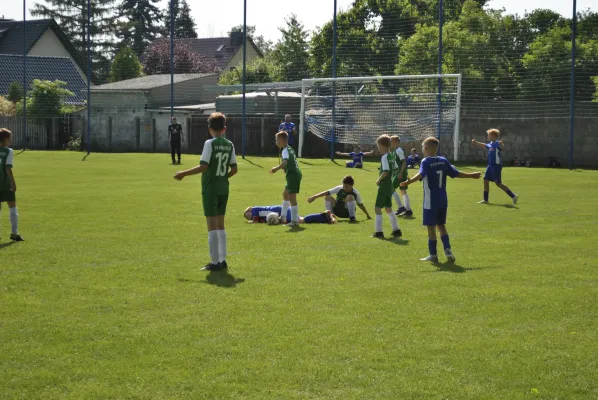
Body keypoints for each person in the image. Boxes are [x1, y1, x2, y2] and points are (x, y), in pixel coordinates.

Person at [401, 137, 481, 262]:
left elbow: (421, 174)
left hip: (430, 201)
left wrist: (408, 182)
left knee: (431, 227)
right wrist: (472, 175)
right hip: (443, 199)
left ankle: (433, 255)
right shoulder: (443, 160)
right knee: (441, 226)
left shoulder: (425, 161)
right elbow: (456, 173)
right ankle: (448, 250)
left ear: (426, 148)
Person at [174, 112, 237, 271]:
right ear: (224, 128)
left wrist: (183, 173)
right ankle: (223, 260)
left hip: (211, 188)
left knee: (211, 226)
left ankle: (214, 262)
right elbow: (234, 169)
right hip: (223, 188)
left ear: (209, 129)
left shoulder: (209, 143)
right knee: (221, 225)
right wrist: (224, 177)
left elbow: (204, 166)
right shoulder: (229, 144)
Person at [472, 128, 519, 205]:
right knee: (485, 180)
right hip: (490, 166)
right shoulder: (490, 144)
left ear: (493, 136)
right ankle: (485, 200)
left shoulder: (497, 143)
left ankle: (513, 196)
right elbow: (484, 145)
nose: (488, 136)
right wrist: (476, 142)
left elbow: (501, 148)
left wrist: (501, 144)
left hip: (496, 166)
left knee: (498, 184)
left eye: (489, 135)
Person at [270, 131, 302, 227]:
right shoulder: (289, 148)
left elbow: (285, 162)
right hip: (294, 174)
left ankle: (294, 221)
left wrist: (276, 168)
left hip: (293, 175)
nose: (276, 142)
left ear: (281, 140)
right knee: (285, 194)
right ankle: (283, 217)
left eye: (277, 140)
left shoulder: (284, 150)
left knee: (292, 199)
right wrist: (285, 168)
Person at [306, 175, 372, 223]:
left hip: (347, 212)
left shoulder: (356, 193)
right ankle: (330, 217)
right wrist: (314, 197)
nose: (345, 188)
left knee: (350, 197)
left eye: (347, 187)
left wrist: (367, 215)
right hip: (337, 210)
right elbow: (327, 192)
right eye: (344, 186)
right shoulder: (339, 188)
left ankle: (352, 218)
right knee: (328, 196)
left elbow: (360, 204)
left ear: (352, 186)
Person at [372, 134, 402, 238]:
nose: (378, 148)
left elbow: (386, 170)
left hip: (384, 185)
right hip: (390, 185)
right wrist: (391, 179)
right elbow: (396, 169)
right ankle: (396, 230)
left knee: (377, 208)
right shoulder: (392, 155)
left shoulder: (384, 157)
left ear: (382, 145)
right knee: (388, 207)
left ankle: (379, 232)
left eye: (378, 146)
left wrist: (378, 180)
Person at [0, 128, 23, 242]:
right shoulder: (8, 151)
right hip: (5, 183)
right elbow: (7, 167)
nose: (10, 140)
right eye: (9, 138)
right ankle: (15, 233)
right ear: (5, 139)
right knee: (12, 207)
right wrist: (13, 182)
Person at [390, 136, 412, 217]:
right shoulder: (394, 151)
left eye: (391, 141)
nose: (390, 143)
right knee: (403, 191)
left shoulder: (399, 150)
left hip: (400, 173)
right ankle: (408, 210)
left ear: (396, 141)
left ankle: (401, 207)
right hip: (399, 173)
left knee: (391, 188)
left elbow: (404, 162)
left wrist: (401, 173)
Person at [243, 206, 337, 224]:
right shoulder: (258, 214)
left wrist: (250, 222)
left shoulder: (255, 209)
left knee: (301, 221)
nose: (248, 217)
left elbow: (255, 220)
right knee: (301, 219)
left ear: (249, 209)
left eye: (247, 214)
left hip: (283, 210)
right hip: (283, 210)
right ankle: (325, 216)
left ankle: (324, 215)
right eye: (247, 217)